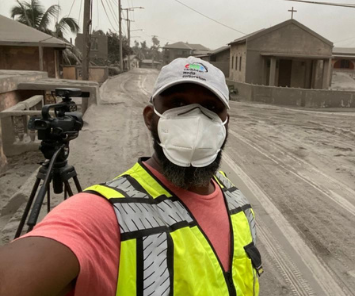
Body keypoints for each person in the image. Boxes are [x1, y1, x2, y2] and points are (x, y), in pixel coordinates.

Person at [0, 57, 262, 296]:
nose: (195, 120)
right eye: (178, 104)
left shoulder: (237, 203)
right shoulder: (107, 215)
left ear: (225, 123)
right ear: (151, 118)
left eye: (210, 107)